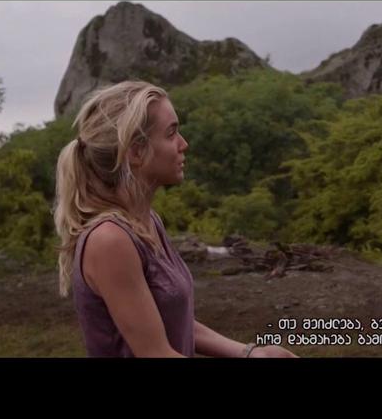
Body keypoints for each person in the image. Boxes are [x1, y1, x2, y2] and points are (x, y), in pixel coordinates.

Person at [53, 80, 297, 358]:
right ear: (136, 151)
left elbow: (170, 324)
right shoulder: (109, 240)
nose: (184, 144)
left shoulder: (147, 222)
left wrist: (251, 353)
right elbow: (156, 353)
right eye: (171, 134)